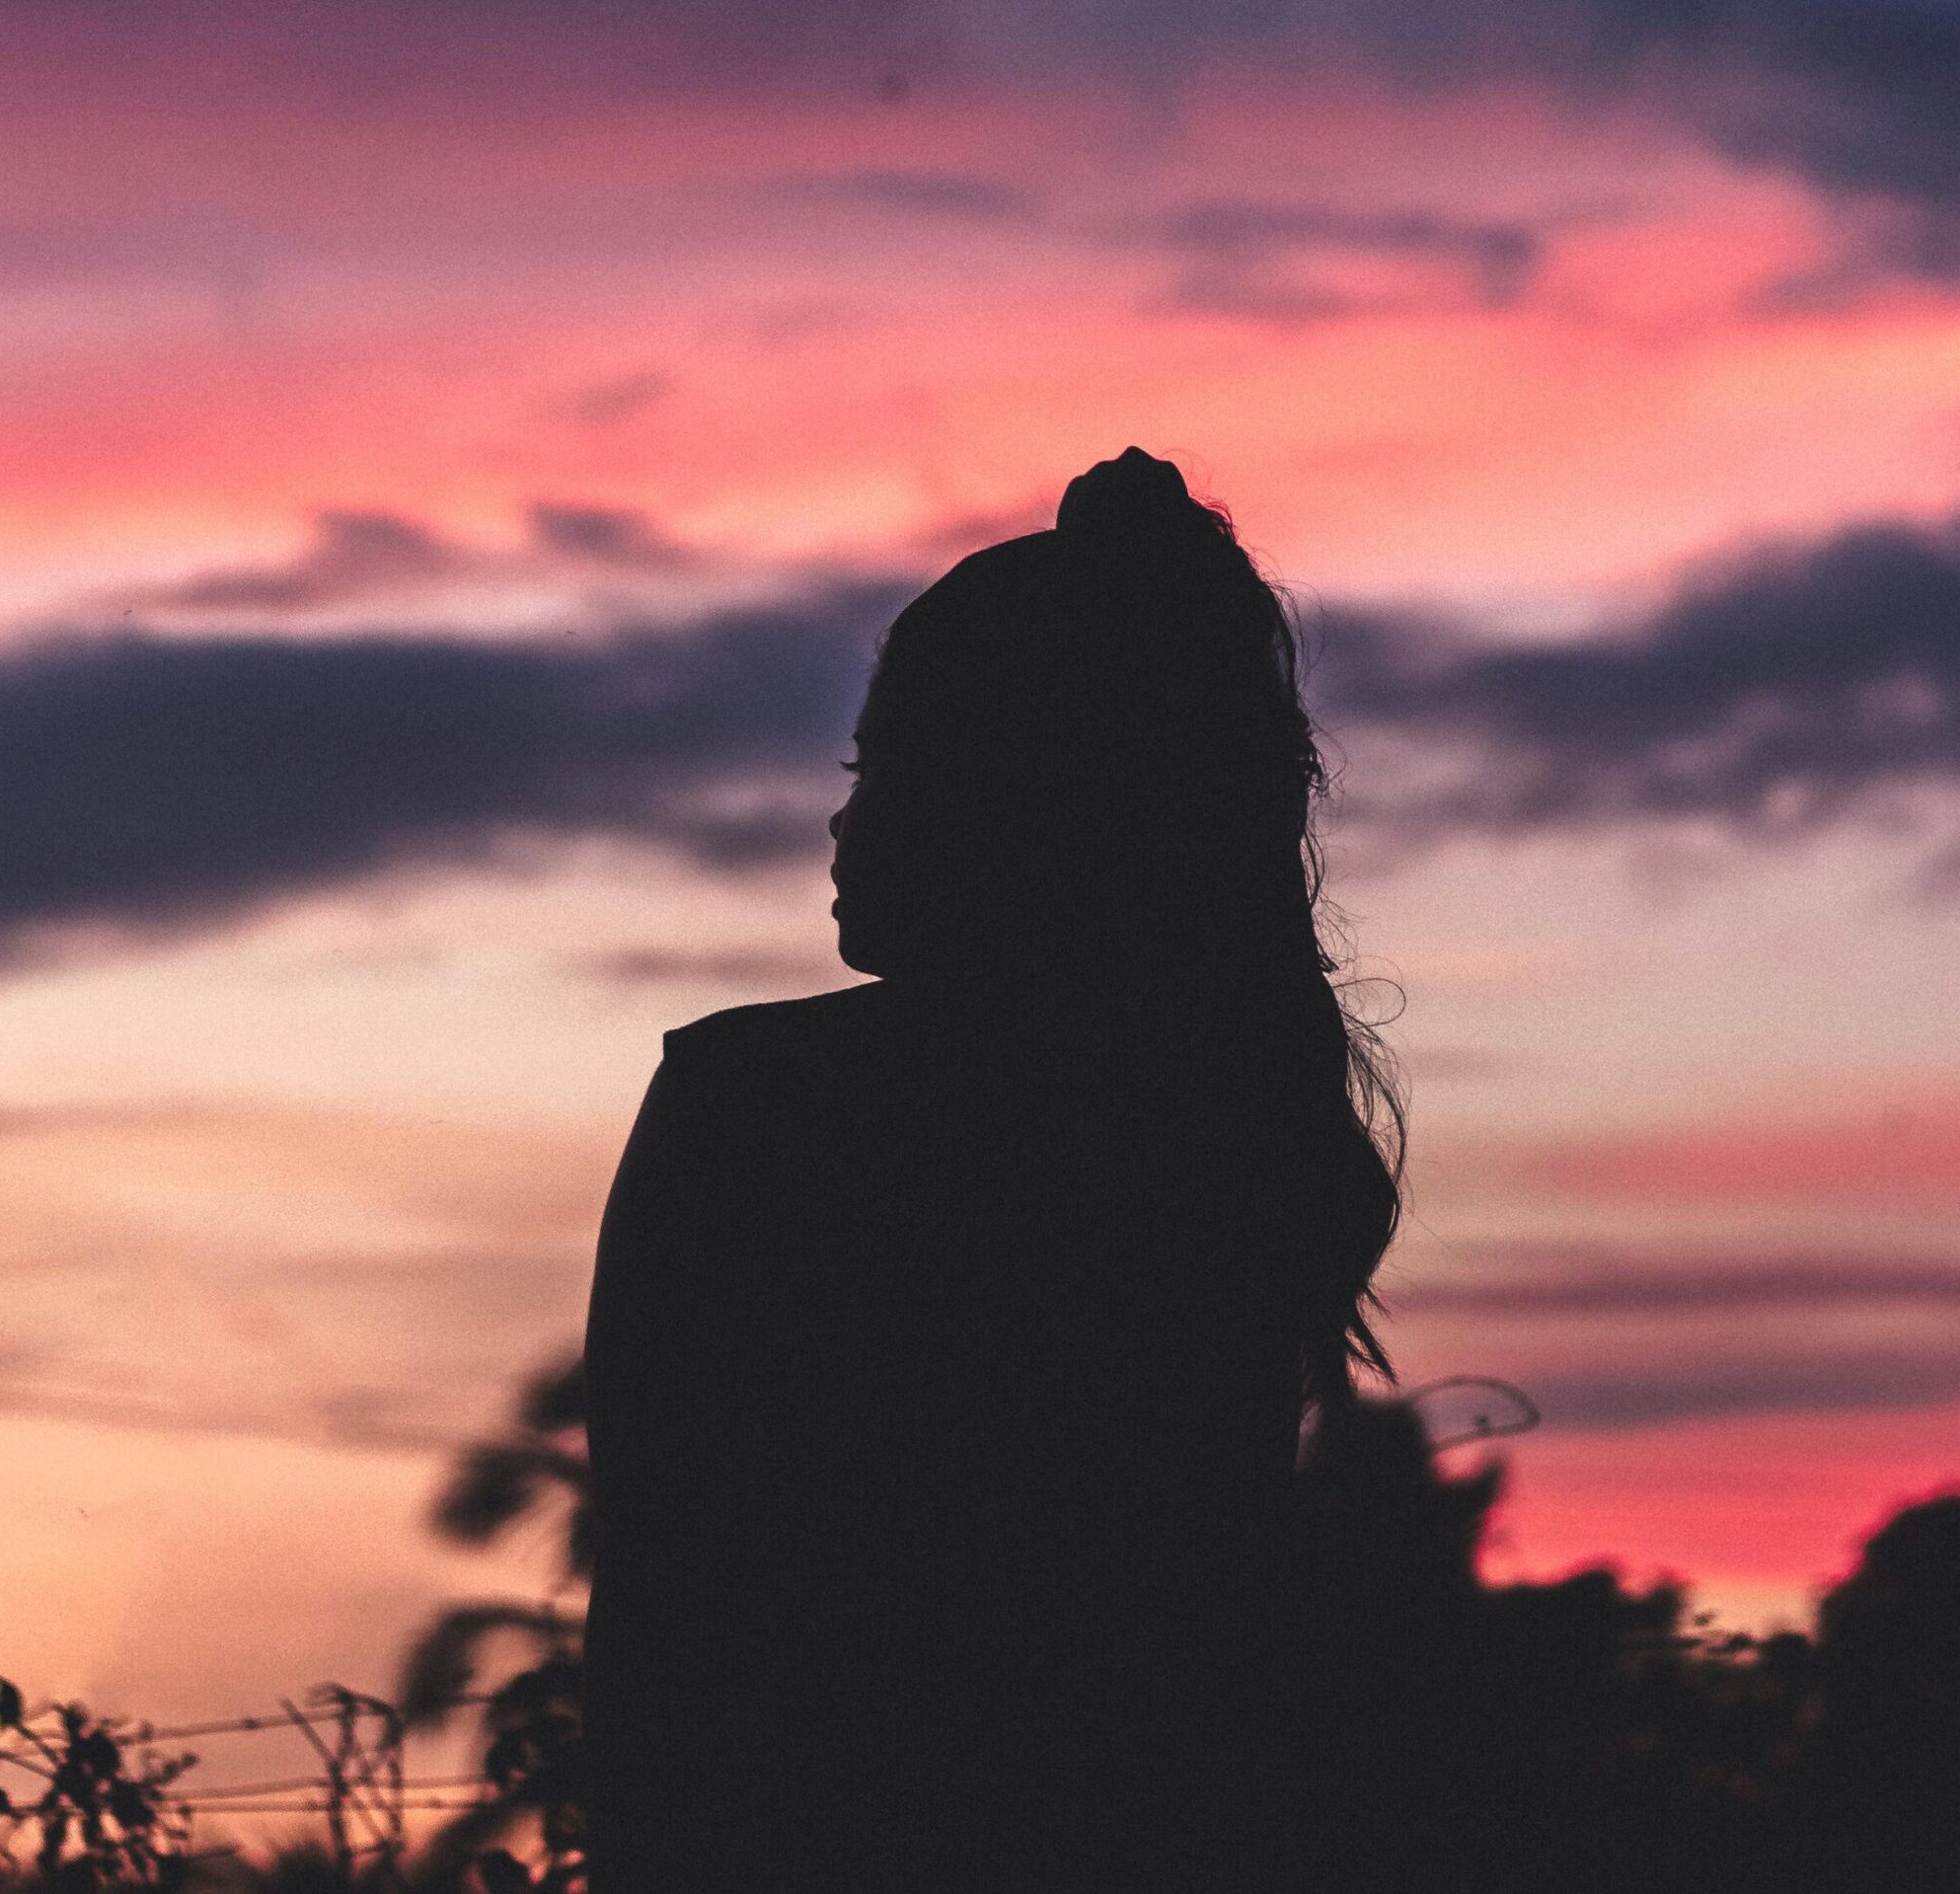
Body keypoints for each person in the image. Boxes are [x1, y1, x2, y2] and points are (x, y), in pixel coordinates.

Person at [580, 448, 1405, 1892]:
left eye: (885, 768)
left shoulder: (759, 1109)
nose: (843, 820)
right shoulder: (1218, 1132)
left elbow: (670, 1613)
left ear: (1018, 797)